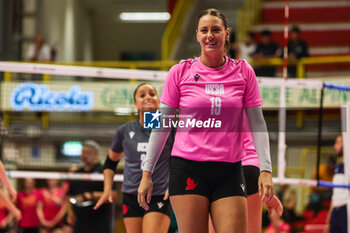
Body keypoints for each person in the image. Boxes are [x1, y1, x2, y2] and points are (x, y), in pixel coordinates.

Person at [138, 8, 275, 233]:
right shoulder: (179, 71)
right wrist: (147, 174)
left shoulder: (243, 71)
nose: (210, 35)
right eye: (204, 30)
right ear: (197, 35)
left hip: (230, 169)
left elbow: (258, 123)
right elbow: (160, 125)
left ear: (227, 33)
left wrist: (266, 170)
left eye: (216, 30)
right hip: (188, 168)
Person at [94, 83, 175, 233]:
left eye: (152, 94)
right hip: (131, 194)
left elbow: (181, 161)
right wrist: (107, 189)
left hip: (158, 194)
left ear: (159, 101)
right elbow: (110, 163)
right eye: (142, 95)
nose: (148, 97)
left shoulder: (170, 129)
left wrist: (174, 184)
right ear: (135, 104)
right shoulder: (125, 131)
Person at [66, 140, 117, 233]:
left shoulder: (105, 172)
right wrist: (70, 213)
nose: (83, 156)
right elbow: (69, 195)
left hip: (100, 223)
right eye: (82, 152)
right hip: (80, 224)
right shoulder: (77, 174)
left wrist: (90, 195)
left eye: (86, 152)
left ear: (95, 153)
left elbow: (113, 195)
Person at [325, 135, 347, 233]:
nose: (335, 147)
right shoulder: (338, 167)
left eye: (338, 143)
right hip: (335, 212)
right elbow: (335, 195)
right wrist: (328, 220)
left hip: (346, 210)